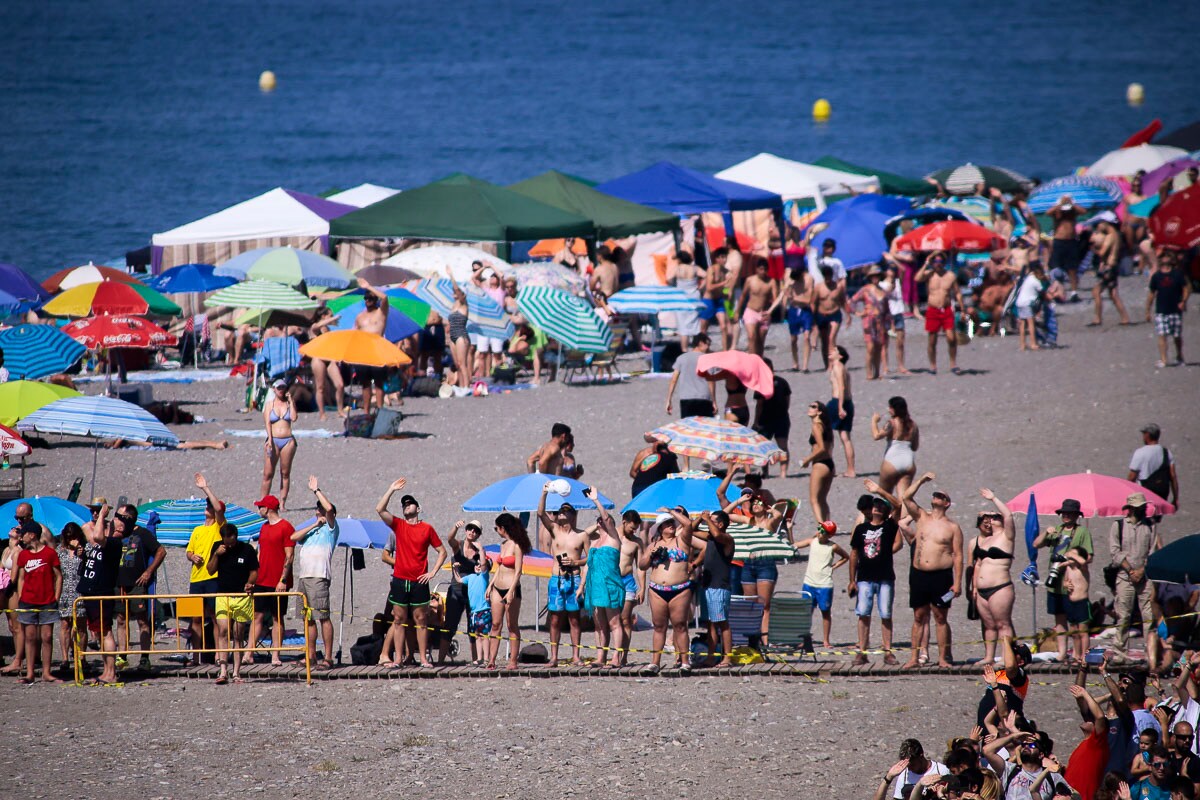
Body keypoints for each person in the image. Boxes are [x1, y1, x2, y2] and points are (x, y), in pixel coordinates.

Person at [375, 479, 447, 669]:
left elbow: (442, 551)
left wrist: (432, 572)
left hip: (419, 581)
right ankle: (398, 659)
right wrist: (391, 489)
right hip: (400, 580)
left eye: (410, 503)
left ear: (418, 508)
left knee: (421, 620)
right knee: (398, 620)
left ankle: (423, 659)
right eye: (404, 504)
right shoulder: (399, 525)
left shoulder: (427, 528)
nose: (406, 506)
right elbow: (380, 509)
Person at [902, 473, 965, 668]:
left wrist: (957, 582)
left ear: (947, 504)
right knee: (919, 616)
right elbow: (906, 497)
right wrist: (921, 480)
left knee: (940, 617)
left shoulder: (953, 527)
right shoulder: (922, 517)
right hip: (919, 574)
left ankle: (943, 658)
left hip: (941, 575)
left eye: (942, 496)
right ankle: (914, 658)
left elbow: (958, 555)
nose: (938, 497)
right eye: (936, 495)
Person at [849, 481, 904, 666]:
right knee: (863, 614)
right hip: (864, 576)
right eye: (876, 505)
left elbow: (898, 505)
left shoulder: (889, 526)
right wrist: (851, 580)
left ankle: (887, 652)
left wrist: (879, 490)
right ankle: (862, 651)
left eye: (881, 506)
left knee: (886, 614)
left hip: (885, 576)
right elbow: (854, 553)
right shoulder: (861, 528)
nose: (878, 508)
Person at [1033, 498, 1095, 663]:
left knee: (1075, 623)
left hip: (1073, 584)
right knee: (1059, 619)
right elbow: (1036, 544)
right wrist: (1046, 532)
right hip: (1055, 581)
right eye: (1064, 513)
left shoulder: (1082, 532)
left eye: (1070, 513)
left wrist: (1067, 561)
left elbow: (1088, 557)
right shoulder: (1057, 530)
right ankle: (1061, 652)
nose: (1066, 515)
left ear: (1076, 515)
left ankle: (1078, 654)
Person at [537, 484, 590, 667]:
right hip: (556, 579)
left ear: (573, 515)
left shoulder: (581, 535)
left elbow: (590, 559)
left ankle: (576, 655)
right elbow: (541, 513)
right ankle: (554, 656)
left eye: (565, 511)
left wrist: (575, 563)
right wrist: (544, 492)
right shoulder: (554, 530)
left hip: (574, 579)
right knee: (555, 619)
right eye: (560, 511)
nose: (561, 514)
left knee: (575, 619)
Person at [638, 506, 695, 674]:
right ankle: (655, 662)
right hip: (657, 590)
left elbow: (689, 525)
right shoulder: (654, 544)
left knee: (680, 626)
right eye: (666, 523)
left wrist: (671, 512)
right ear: (660, 528)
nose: (670, 525)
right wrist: (650, 555)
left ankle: (684, 661)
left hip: (680, 589)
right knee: (659, 627)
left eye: (671, 522)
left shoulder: (681, 540)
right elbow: (642, 565)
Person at [292, 475, 340, 669]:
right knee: (308, 617)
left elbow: (329, 509)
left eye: (319, 508)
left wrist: (316, 490)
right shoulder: (313, 530)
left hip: (319, 576)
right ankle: (310, 655)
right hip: (304, 576)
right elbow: (293, 537)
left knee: (323, 616)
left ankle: (327, 657)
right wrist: (313, 524)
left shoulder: (331, 529)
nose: (318, 511)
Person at [110, 502, 165, 671]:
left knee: (142, 620)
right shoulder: (115, 535)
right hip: (119, 583)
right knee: (120, 620)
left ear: (129, 519)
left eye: (120, 517)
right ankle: (122, 656)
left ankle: (144, 658)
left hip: (137, 583)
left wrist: (148, 571)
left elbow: (161, 551)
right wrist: (113, 536)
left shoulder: (142, 534)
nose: (116, 520)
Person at [726, 491, 783, 644]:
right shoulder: (747, 521)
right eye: (754, 503)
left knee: (764, 605)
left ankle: (765, 641)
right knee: (750, 605)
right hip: (748, 564)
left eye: (759, 503)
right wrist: (739, 501)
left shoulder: (769, 523)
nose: (756, 505)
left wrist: (770, 509)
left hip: (765, 564)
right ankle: (752, 640)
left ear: (764, 507)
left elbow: (779, 516)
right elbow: (725, 514)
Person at [1109, 493, 1160, 661]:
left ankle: (1150, 653)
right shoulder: (1118, 526)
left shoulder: (1150, 526)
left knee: (1148, 616)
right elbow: (1115, 553)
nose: (1144, 509)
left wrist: (1141, 570)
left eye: (1144, 507)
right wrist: (1131, 571)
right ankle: (1119, 653)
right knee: (1123, 615)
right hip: (1125, 577)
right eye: (1141, 507)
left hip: (1145, 577)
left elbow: (1153, 552)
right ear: (1131, 509)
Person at [205, 522, 257, 684]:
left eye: (232, 541)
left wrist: (250, 583)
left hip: (241, 597)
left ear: (236, 536)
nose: (230, 545)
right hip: (223, 595)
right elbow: (210, 570)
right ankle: (222, 671)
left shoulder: (246, 549)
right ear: (223, 539)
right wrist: (216, 555)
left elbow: (254, 571)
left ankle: (236, 672)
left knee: (238, 634)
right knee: (223, 631)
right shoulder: (217, 547)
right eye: (227, 542)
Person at [76, 502, 122, 685]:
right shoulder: (99, 543)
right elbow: (90, 533)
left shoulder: (113, 543)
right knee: (100, 632)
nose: (95, 515)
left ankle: (111, 672)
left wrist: (102, 515)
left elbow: (96, 534)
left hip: (101, 592)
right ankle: (107, 670)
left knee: (105, 632)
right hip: (90, 591)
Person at [970, 488, 1017, 664]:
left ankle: (1007, 657)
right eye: (991, 518)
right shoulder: (986, 539)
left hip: (1000, 587)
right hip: (982, 590)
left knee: (1003, 624)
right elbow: (978, 564)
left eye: (996, 517)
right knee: (989, 626)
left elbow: (1009, 516)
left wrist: (993, 498)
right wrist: (975, 587)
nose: (992, 519)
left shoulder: (1007, 536)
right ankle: (989, 656)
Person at [581, 486, 625, 667]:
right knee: (599, 625)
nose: (600, 521)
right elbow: (587, 566)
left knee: (614, 623)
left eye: (602, 520)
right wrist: (581, 586)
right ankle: (601, 657)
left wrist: (595, 500)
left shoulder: (614, 538)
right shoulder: (594, 542)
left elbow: (606, 518)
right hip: (595, 586)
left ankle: (616, 658)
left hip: (610, 584)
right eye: (598, 520)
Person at [247, 494, 294, 666]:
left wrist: (283, 579)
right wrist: (253, 577)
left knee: (277, 617)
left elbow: (289, 556)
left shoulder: (286, 527)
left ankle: (276, 654)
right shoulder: (264, 527)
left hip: (277, 582)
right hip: (262, 579)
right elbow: (260, 553)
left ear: (268, 508)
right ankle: (249, 652)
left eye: (261, 506)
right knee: (257, 615)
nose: (259, 509)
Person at [184, 474, 225, 666]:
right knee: (195, 619)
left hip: (212, 577)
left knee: (215, 617)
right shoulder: (197, 530)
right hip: (196, 579)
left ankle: (218, 655)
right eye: (206, 505)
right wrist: (192, 556)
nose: (207, 507)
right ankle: (196, 656)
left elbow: (217, 508)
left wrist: (206, 488)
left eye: (209, 506)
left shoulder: (218, 526)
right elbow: (188, 551)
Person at [14, 522, 62, 683]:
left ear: (32, 534)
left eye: (24, 533)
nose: (22, 536)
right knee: (30, 636)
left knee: (47, 636)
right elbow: (20, 577)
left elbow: (58, 576)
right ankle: (30, 673)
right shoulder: (23, 555)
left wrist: (56, 596)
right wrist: (21, 594)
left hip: (47, 601)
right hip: (28, 601)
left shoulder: (50, 554)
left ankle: (47, 672)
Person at [484, 513, 530, 670]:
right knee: (496, 624)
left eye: (496, 528)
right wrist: (490, 585)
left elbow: (518, 571)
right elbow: (499, 567)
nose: (496, 530)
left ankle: (513, 661)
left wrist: (511, 591)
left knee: (512, 625)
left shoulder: (517, 545)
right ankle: (491, 660)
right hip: (497, 586)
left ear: (502, 528)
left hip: (512, 587)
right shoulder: (503, 545)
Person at [795, 520, 849, 650]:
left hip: (824, 584)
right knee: (807, 612)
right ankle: (805, 640)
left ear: (829, 535)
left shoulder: (833, 546)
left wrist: (833, 567)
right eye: (819, 529)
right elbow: (795, 545)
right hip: (809, 582)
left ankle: (826, 640)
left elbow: (845, 556)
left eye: (823, 531)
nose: (820, 532)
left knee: (825, 612)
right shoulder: (811, 541)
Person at [437, 519, 484, 665]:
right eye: (470, 528)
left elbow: (484, 570)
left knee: (473, 628)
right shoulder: (459, 545)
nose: (472, 532)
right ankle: (440, 661)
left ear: (478, 534)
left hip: (472, 593)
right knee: (449, 626)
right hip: (456, 592)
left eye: (475, 530)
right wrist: (455, 527)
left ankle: (476, 660)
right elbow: (449, 539)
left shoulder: (478, 551)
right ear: (466, 530)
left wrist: (482, 551)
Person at [694, 509, 736, 667]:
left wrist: (707, 519)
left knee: (722, 623)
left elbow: (718, 535)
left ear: (720, 524)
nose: (708, 521)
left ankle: (727, 658)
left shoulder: (727, 539)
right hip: (708, 585)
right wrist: (700, 518)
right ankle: (711, 656)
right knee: (711, 623)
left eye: (712, 520)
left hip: (720, 586)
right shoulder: (710, 537)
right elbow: (692, 531)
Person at [915, 251, 965, 374]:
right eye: (936, 261)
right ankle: (933, 365)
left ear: (944, 262)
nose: (938, 264)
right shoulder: (929, 274)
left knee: (951, 337)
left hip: (946, 309)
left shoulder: (950, 276)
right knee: (932, 339)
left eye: (941, 261)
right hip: (933, 309)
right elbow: (917, 278)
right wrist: (926, 263)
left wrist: (962, 309)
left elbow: (957, 292)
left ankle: (953, 363)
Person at [1063, 679, 1111, 800]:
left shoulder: (1097, 743)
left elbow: (1099, 716)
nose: (1087, 720)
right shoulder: (1085, 744)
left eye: (1091, 720)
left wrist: (1085, 694)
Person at [352, 275, 391, 411]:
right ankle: (366, 411)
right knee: (365, 384)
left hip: (377, 349)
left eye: (371, 298)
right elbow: (354, 333)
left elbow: (385, 298)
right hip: (363, 352)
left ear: (375, 300)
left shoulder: (381, 313)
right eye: (366, 298)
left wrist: (368, 287)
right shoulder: (360, 317)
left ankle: (380, 409)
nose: (368, 300)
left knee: (379, 383)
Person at [1146, 250, 1190, 367]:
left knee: (1177, 336)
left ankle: (1180, 356)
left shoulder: (1177, 274)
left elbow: (1186, 288)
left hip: (1175, 309)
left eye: (1167, 256)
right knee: (1162, 335)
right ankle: (1164, 359)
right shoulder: (1157, 276)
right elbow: (1151, 293)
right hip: (1161, 310)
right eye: (1162, 257)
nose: (1165, 259)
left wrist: (1183, 301)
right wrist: (1147, 310)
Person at [260, 378, 297, 510]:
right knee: (268, 473)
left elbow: (293, 418)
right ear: (274, 389)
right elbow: (267, 423)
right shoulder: (270, 404)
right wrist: (269, 440)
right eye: (279, 388)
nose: (281, 390)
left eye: (283, 388)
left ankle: (282, 503)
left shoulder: (288, 404)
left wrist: (291, 401)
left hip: (288, 440)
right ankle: (264, 502)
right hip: (274, 439)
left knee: (285, 473)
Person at [851, 265, 893, 379]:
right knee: (870, 347)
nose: (875, 278)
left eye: (877, 276)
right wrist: (858, 313)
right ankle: (869, 372)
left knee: (879, 347)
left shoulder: (883, 292)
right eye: (873, 276)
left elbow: (887, 310)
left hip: (880, 322)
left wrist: (889, 325)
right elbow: (852, 301)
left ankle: (877, 372)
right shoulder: (865, 289)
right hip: (869, 321)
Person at [872, 396, 919, 498]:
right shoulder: (913, 425)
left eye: (890, 407)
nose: (888, 410)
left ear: (895, 409)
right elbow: (915, 447)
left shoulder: (892, 423)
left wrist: (874, 421)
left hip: (892, 462)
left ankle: (891, 512)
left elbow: (876, 436)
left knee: (885, 496)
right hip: (908, 462)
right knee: (904, 499)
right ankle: (902, 514)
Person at [753, 358, 792, 477]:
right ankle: (776, 472)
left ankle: (780, 472)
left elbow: (759, 405)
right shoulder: (777, 382)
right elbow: (787, 401)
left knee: (778, 446)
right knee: (770, 447)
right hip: (770, 419)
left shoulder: (779, 382)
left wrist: (756, 421)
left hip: (776, 419)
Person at [1089, 218, 1131, 327]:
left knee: (1096, 291)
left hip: (1110, 268)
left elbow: (1102, 252)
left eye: (1099, 225)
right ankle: (1125, 318)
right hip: (1113, 266)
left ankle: (1097, 318)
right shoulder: (1117, 235)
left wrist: (1092, 247)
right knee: (1113, 294)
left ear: (1105, 223)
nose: (1098, 228)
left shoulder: (1110, 236)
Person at [800, 400, 836, 525]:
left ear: (819, 412)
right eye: (810, 405)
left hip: (820, 465)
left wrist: (807, 460)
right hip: (829, 464)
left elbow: (821, 448)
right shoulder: (826, 426)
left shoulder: (816, 426)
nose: (810, 408)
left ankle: (822, 527)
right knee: (822, 499)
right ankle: (828, 524)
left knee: (814, 499)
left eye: (813, 407)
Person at [1128, 424, 1180, 510]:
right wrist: (1175, 498)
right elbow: (1173, 476)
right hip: (1162, 493)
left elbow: (1132, 477)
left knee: (1143, 518)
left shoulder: (1140, 452)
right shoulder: (1166, 452)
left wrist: (1127, 495)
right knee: (1155, 516)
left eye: (1144, 434)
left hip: (1145, 493)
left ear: (1148, 435)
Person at [665, 333, 716, 418]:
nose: (708, 348)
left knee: (688, 428)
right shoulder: (707, 359)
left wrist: (669, 399)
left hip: (686, 399)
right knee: (704, 428)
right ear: (700, 343)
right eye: (708, 344)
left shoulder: (681, 358)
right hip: (704, 398)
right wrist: (714, 401)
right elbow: (710, 381)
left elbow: (673, 380)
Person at [55, 522, 85, 664]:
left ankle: (82, 657)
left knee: (81, 626)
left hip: (81, 592)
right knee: (65, 625)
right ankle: (65, 658)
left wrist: (83, 553)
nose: (71, 539)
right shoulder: (60, 551)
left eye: (73, 536)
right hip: (64, 591)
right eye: (68, 537)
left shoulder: (86, 550)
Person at [736, 257, 779, 357]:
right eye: (761, 269)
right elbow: (742, 296)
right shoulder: (750, 280)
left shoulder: (771, 282)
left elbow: (775, 299)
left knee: (760, 340)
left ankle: (759, 361)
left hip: (764, 313)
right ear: (756, 269)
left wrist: (770, 311)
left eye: (765, 270)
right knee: (751, 337)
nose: (763, 272)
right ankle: (751, 361)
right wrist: (737, 311)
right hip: (751, 310)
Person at [617, 510, 644, 663]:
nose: (634, 532)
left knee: (625, 619)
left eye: (636, 529)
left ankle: (624, 657)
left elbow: (640, 567)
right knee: (611, 620)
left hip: (627, 581)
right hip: (611, 581)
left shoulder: (636, 542)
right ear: (624, 522)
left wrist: (642, 587)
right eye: (632, 528)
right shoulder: (611, 535)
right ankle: (613, 654)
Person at [826, 345, 856, 477]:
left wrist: (840, 407)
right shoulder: (844, 368)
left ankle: (830, 469)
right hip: (848, 402)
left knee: (827, 436)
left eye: (834, 350)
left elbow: (841, 387)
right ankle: (851, 470)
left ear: (840, 356)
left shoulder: (838, 366)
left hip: (839, 401)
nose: (831, 351)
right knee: (845, 438)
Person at [1048, 195, 1083, 298]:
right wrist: (1060, 204)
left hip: (1071, 241)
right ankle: (1057, 291)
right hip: (1059, 241)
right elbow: (1048, 212)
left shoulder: (1073, 212)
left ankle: (1074, 292)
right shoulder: (1057, 212)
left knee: (1072, 268)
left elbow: (1083, 211)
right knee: (1056, 268)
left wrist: (1071, 204)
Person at [667, 251, 704, 349]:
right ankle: (697, 347)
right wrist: (701, 287)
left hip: (681, 298)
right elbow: (706, 275)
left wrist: (674, 286)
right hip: (694, 297)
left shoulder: (678, 269)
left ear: (680, 259)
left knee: (683, 327)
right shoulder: (695, 268)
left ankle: (684, 350)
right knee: (695, 324)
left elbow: (669, 278)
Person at [701, 247, 736, 350]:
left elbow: (729, 286)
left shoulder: (726, 271)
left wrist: (728, 292)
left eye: (724, 257)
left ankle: (725, 351)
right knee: (703, 329)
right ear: (716, 259)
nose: (723, 260)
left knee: (724, 326)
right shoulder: (711, 270)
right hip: (708, 301)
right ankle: (703, 349)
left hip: (719, 301)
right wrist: (723, 283)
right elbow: (709, 287)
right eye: (721, 257)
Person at [880, 261, 911, 375]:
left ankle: (901, 366)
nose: (891, 272)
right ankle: (885, 367)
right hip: (888, 315)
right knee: (885, 342)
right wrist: (890, 286)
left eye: (893, 270)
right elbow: (885, 293)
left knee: (900, 342)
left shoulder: (898, 282)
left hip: (898, 313)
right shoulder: (881, 283)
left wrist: (893, 259)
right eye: (889, 269)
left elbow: (903, 269)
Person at [813, 265, 847, 370]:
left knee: (831, 338)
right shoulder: (818, 287)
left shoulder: (838, 287)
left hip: (835, 314)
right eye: (825, 277)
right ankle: (827, 364)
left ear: (832, 275)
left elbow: (843, 301)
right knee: (824, 342)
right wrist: (813, 319)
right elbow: (813, 303)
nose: (827, 279)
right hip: (822, 315)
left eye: (829, 277)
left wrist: (848, 315)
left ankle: (832, 365)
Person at [784, 267, 816, 372]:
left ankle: (805, 366)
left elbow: (808, 299)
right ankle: (795, 363)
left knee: (807, 337)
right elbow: (784, 294)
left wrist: (793, 298)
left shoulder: (809, 279)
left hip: (805, 311)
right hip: (794, 310)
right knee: (793, 339)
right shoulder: (790, 279)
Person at [629, 433, 680, 498]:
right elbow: (632, 472)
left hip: (643, 488)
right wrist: (647, 480)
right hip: (646, 488)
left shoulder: (668, 455)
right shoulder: (645, 453)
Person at [1015, 263, 1046, 352]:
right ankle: (1033, 343)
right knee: (1031, 323)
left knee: (1022, 324)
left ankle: (1022, 344)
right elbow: (1042, 292)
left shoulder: (1028, 278)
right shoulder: (1036, 281)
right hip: (1026, 303)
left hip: (1019, 302)